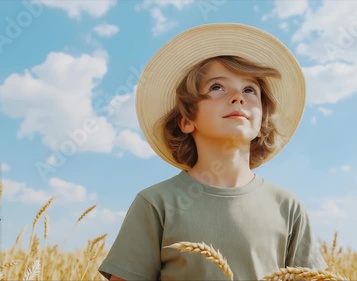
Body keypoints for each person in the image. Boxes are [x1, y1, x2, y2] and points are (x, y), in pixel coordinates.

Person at [98, 23, 328, 281]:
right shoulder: (156, 204)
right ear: (186, 120)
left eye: (250, 90)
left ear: (262, 122)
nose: (237, 97)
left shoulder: (288, 207)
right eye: (217, 87)